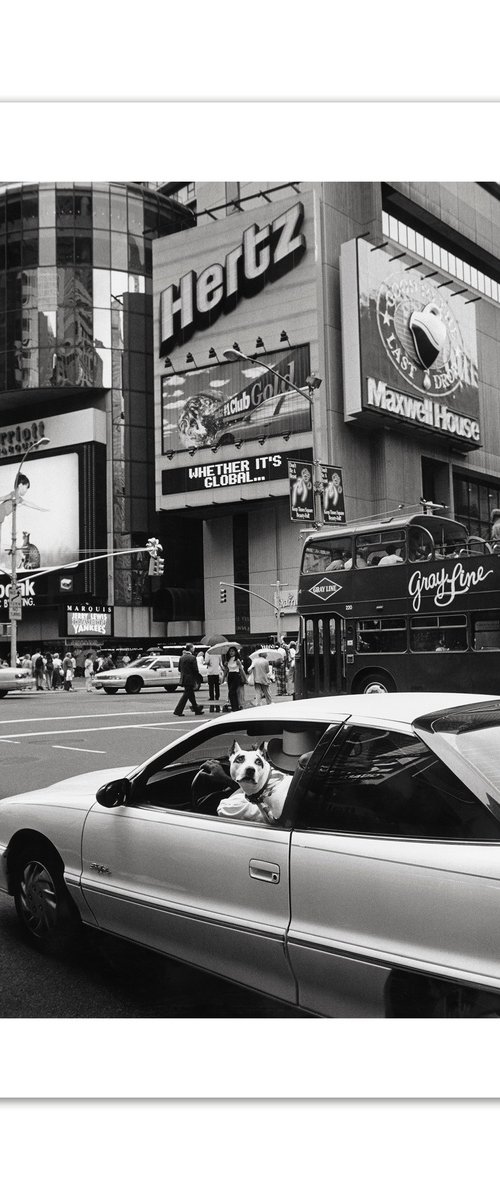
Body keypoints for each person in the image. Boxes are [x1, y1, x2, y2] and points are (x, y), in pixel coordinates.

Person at [173, 643, 204, 717]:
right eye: (193, 648)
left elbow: (179, 669)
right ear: (190, 648)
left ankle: (197, 709)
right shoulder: (192, 658)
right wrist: (196, 680)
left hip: (184, 678)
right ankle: (178, 710)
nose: (194, 649)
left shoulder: (182, 657)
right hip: (191, 679)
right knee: (186, 695)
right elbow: (195, 670)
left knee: (191, 695)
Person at [222, 645, 247, 712]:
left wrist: (245, 679)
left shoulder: (237, 660)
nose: (231, 652)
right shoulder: (228, 660)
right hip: (230, 676)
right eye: (230, 651)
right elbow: (226, 670)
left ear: (235, 652)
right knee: (232, 692)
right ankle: (234, 707)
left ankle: (235, 707)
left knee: (232, 692)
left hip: (236, 676)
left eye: (232, 651)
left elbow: (241, 670)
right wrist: (223, 678)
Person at [204, 646, 222, 713]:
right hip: (216, 672)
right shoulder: (218, 653)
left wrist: (207, 663)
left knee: (211, 687)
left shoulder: (208, 652)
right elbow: (220, 663)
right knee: (217, 687)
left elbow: (206, 661)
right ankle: (217, 698)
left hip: (210, 672)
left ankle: (212, 699)